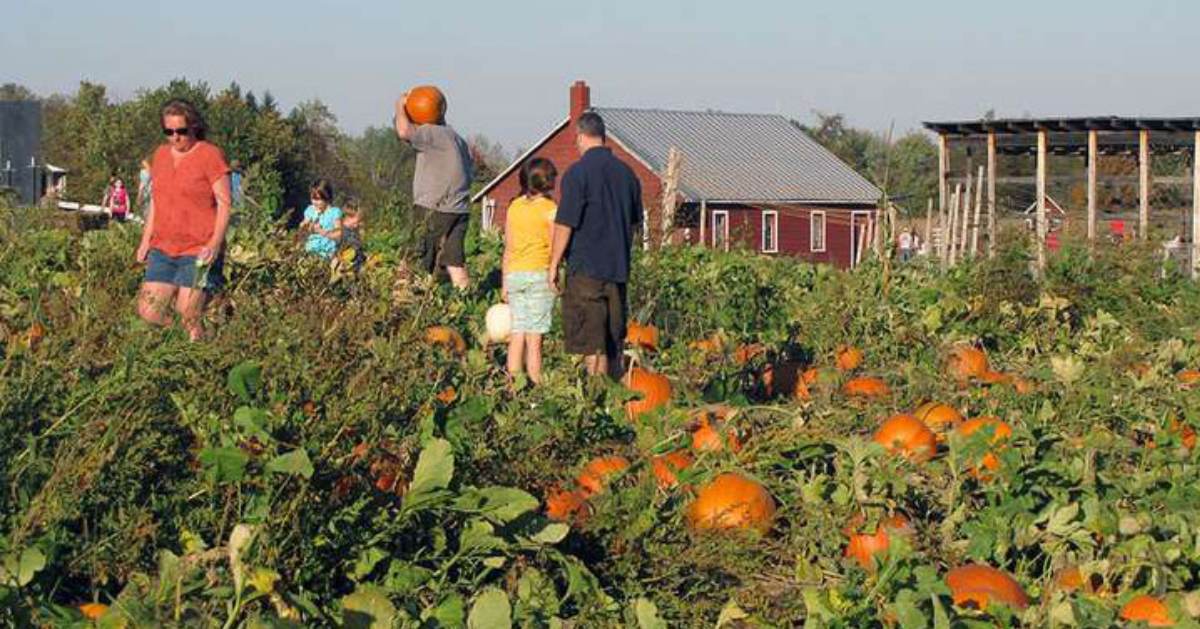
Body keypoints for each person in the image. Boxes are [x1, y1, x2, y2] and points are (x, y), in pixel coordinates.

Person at [548, 112, 643, 379]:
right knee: (614, 342)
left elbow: (565, 223)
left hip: (586, 270)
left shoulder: (577, 174)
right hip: (618, 269)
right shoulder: (627, 175)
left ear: (580, 136)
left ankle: (598, 404)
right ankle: (618, 403)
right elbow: (636, 224)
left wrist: (553, 265)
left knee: (593, 344)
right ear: (603, 136)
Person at [135, 99, 232, 341]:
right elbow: (157, 200)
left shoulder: (210, 155)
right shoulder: (160, 155)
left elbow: (224, 203)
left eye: (181, 131)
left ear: (193, 128)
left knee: (188, 313)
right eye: (169, 132)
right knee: (148, 311)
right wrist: (146, 240)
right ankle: (182, 339)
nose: (175, 137)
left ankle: (197, 359)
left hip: (198, 249)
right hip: (163, 247)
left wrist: (215, 244)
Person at [392, 91, 473, 288]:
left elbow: (403, 132)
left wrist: (399, 105)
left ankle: (404, 302)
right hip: (459, 209)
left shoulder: (431, 132)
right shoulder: (456, 139)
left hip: (433, 208)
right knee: (455, 263)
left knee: (413, 258)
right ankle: (466, 302)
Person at [502, 158, 559, 384]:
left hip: (515, 275)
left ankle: (513, 388)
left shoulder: (514, 207)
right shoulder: (551, 210)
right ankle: (536, 387)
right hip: (539, 274)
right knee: (534, 340)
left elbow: (508, 247)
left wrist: (505, 283)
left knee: (517, 335)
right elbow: (556, 246)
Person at [299, 179, 343, 259]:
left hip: (327, 252)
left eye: (318, 199)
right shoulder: (310, 210)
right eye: (313, 199)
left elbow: (339, 233)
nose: (315, 202)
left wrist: (322, 231)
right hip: (311, 249)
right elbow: (303, 225)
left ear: (327, 198)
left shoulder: (334, 212)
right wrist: (305, 225)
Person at [339, 200, 367, 271]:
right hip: (347, 259)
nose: (356, 225)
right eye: (355, 223)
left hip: (354, 258)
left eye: (358, 222)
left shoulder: (352, 230)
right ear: (346, 219)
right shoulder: (344, 232)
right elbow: (355, 246)